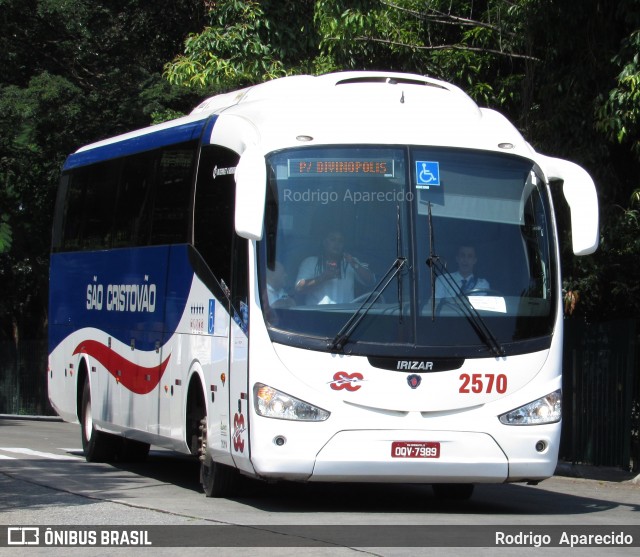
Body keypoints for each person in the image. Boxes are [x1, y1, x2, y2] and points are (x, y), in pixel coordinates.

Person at [295, 231, 374, 304]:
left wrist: (354, 264)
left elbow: (370, 281)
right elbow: (299, 288)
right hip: (317, 315)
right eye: (333, 239)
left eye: (340, 241)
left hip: (346, 316)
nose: (337, 244)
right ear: (325, 242)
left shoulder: (351, 262)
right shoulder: (310, 262)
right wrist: (322, 278)